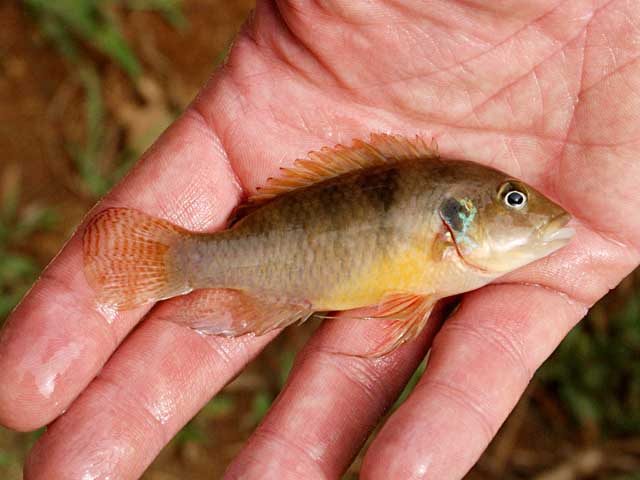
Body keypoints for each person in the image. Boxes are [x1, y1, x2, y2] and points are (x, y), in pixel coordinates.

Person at [1, 0, 639, 478]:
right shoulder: (448, 244)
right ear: (458, 219)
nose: (531, 210)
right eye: (514, 201)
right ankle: (178, 260)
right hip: (269, 251)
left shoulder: (455, 245)